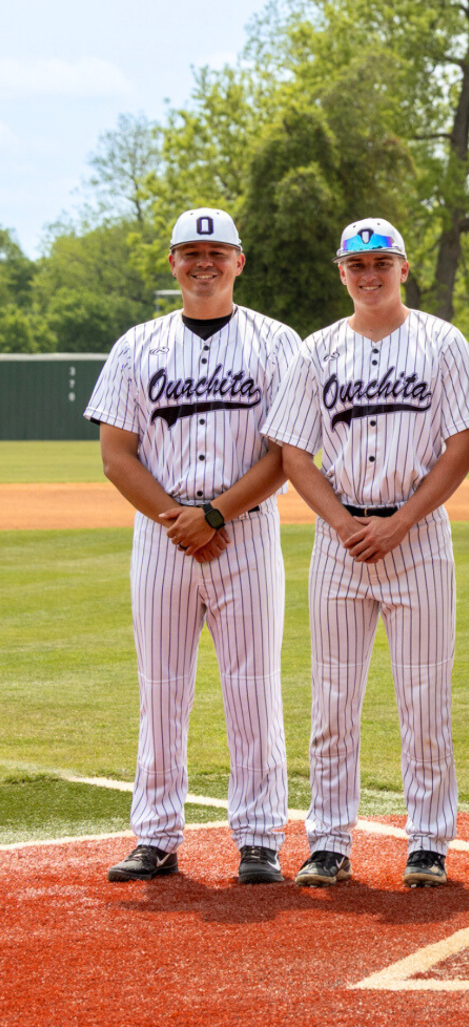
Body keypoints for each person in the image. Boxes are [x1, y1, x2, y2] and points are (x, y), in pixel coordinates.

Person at [263, 218, 469, 889]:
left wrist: (400, 522)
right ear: (342, 273)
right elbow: (294, 452)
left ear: (404, 269)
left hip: (417, 539)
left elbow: (461, 446)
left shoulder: (444, 344)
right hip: (339, 541)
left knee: (424, 698)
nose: (370, 274)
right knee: (332, 698)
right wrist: (343, 522)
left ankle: (428, 841)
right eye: (358, 265)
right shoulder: (316, 351)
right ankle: (327, 840)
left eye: (381, 262)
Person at [88, 207, 297, 885]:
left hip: (246, 531)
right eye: (190, 251)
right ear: (172, 262)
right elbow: (117, 454)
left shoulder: (276, 342)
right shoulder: (136, 346)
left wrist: (213, 512)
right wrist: (178, 517)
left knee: (253, 686)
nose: (203, 262)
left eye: (217, 251)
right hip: (161, 537)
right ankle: (154, 835)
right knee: (162, 686)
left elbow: (287, 450)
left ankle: (260, 837)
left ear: (240, 260)